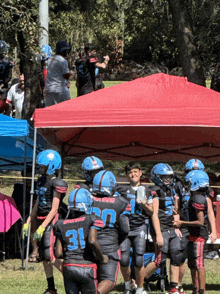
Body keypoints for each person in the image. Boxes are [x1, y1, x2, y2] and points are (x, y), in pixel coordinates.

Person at [22, 149, 68, 294]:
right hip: (41, 218)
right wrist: (28, 220)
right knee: (44, 257)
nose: (40, 169)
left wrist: (42, 227)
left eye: (43, 166)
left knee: (50, 255)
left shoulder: (57, 183)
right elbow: (37, 204)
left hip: (51, 219)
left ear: (52, 166)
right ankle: (51, 288)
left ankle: (72, 277)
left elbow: (54, 209)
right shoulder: (41, 180)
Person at [54, 187, 108, 294]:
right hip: (87, 266)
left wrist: (72, 255)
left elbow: (58, 253)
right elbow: (92, 241)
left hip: (68, 266)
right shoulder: (92, 219)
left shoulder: (60, 224)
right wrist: (102, 257)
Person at [143, 163, 186, 294]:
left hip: (172, 227)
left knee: (176, 256)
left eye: (169, 177)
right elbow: (154, 215)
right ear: (156, 177)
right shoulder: (153, 191)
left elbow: (174, 210)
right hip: (160, 228)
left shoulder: (172, 189)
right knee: (159, 260)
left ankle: (174, 287)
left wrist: (177, 224)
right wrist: (159, 234)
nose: (168, 180)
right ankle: (139, 281)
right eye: (164, 177)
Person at [116, 161, 153, 294]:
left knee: (138, 260)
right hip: (125, 228)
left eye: (135, 171)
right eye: (130, 172)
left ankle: (140, 288)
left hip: (139, 227)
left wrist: (143, 205)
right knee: (124, 259)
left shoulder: (147, 190)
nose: (133, 174)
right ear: (127, 175)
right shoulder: (120, 189)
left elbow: (152, 212)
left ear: (140, 173)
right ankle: (127, 286)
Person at [92, 170, 131, 294]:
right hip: (110, 245)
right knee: (108, 280)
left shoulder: (89, 199)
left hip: (90, 243)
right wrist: (117, 240)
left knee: (93, 279)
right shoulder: (121, 202)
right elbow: (125, 228)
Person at [173, 170, 210, 294]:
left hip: (198, 236)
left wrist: (183, 223)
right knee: (192, 264)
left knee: (199, 264)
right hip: (193, 235)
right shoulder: (196, 197)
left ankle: (202, 290)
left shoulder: (198, 198)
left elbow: (200, 222)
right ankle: (196, 288)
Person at [12, 166, 39, 262]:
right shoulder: (19, 189)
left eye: (30, 176)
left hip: (36, 214)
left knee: (32, 223)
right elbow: (14, 204)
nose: (28, 179)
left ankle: (36, 249)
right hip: (21, 215)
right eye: (26, 177)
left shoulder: (38, 186)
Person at [45, 41, 72, 107]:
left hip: (48, 88)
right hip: (60, 88)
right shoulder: (62, 60)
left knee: (50, 110)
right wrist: (70, 73)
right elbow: (66, 75)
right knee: (66, 107)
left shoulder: (50, 59)